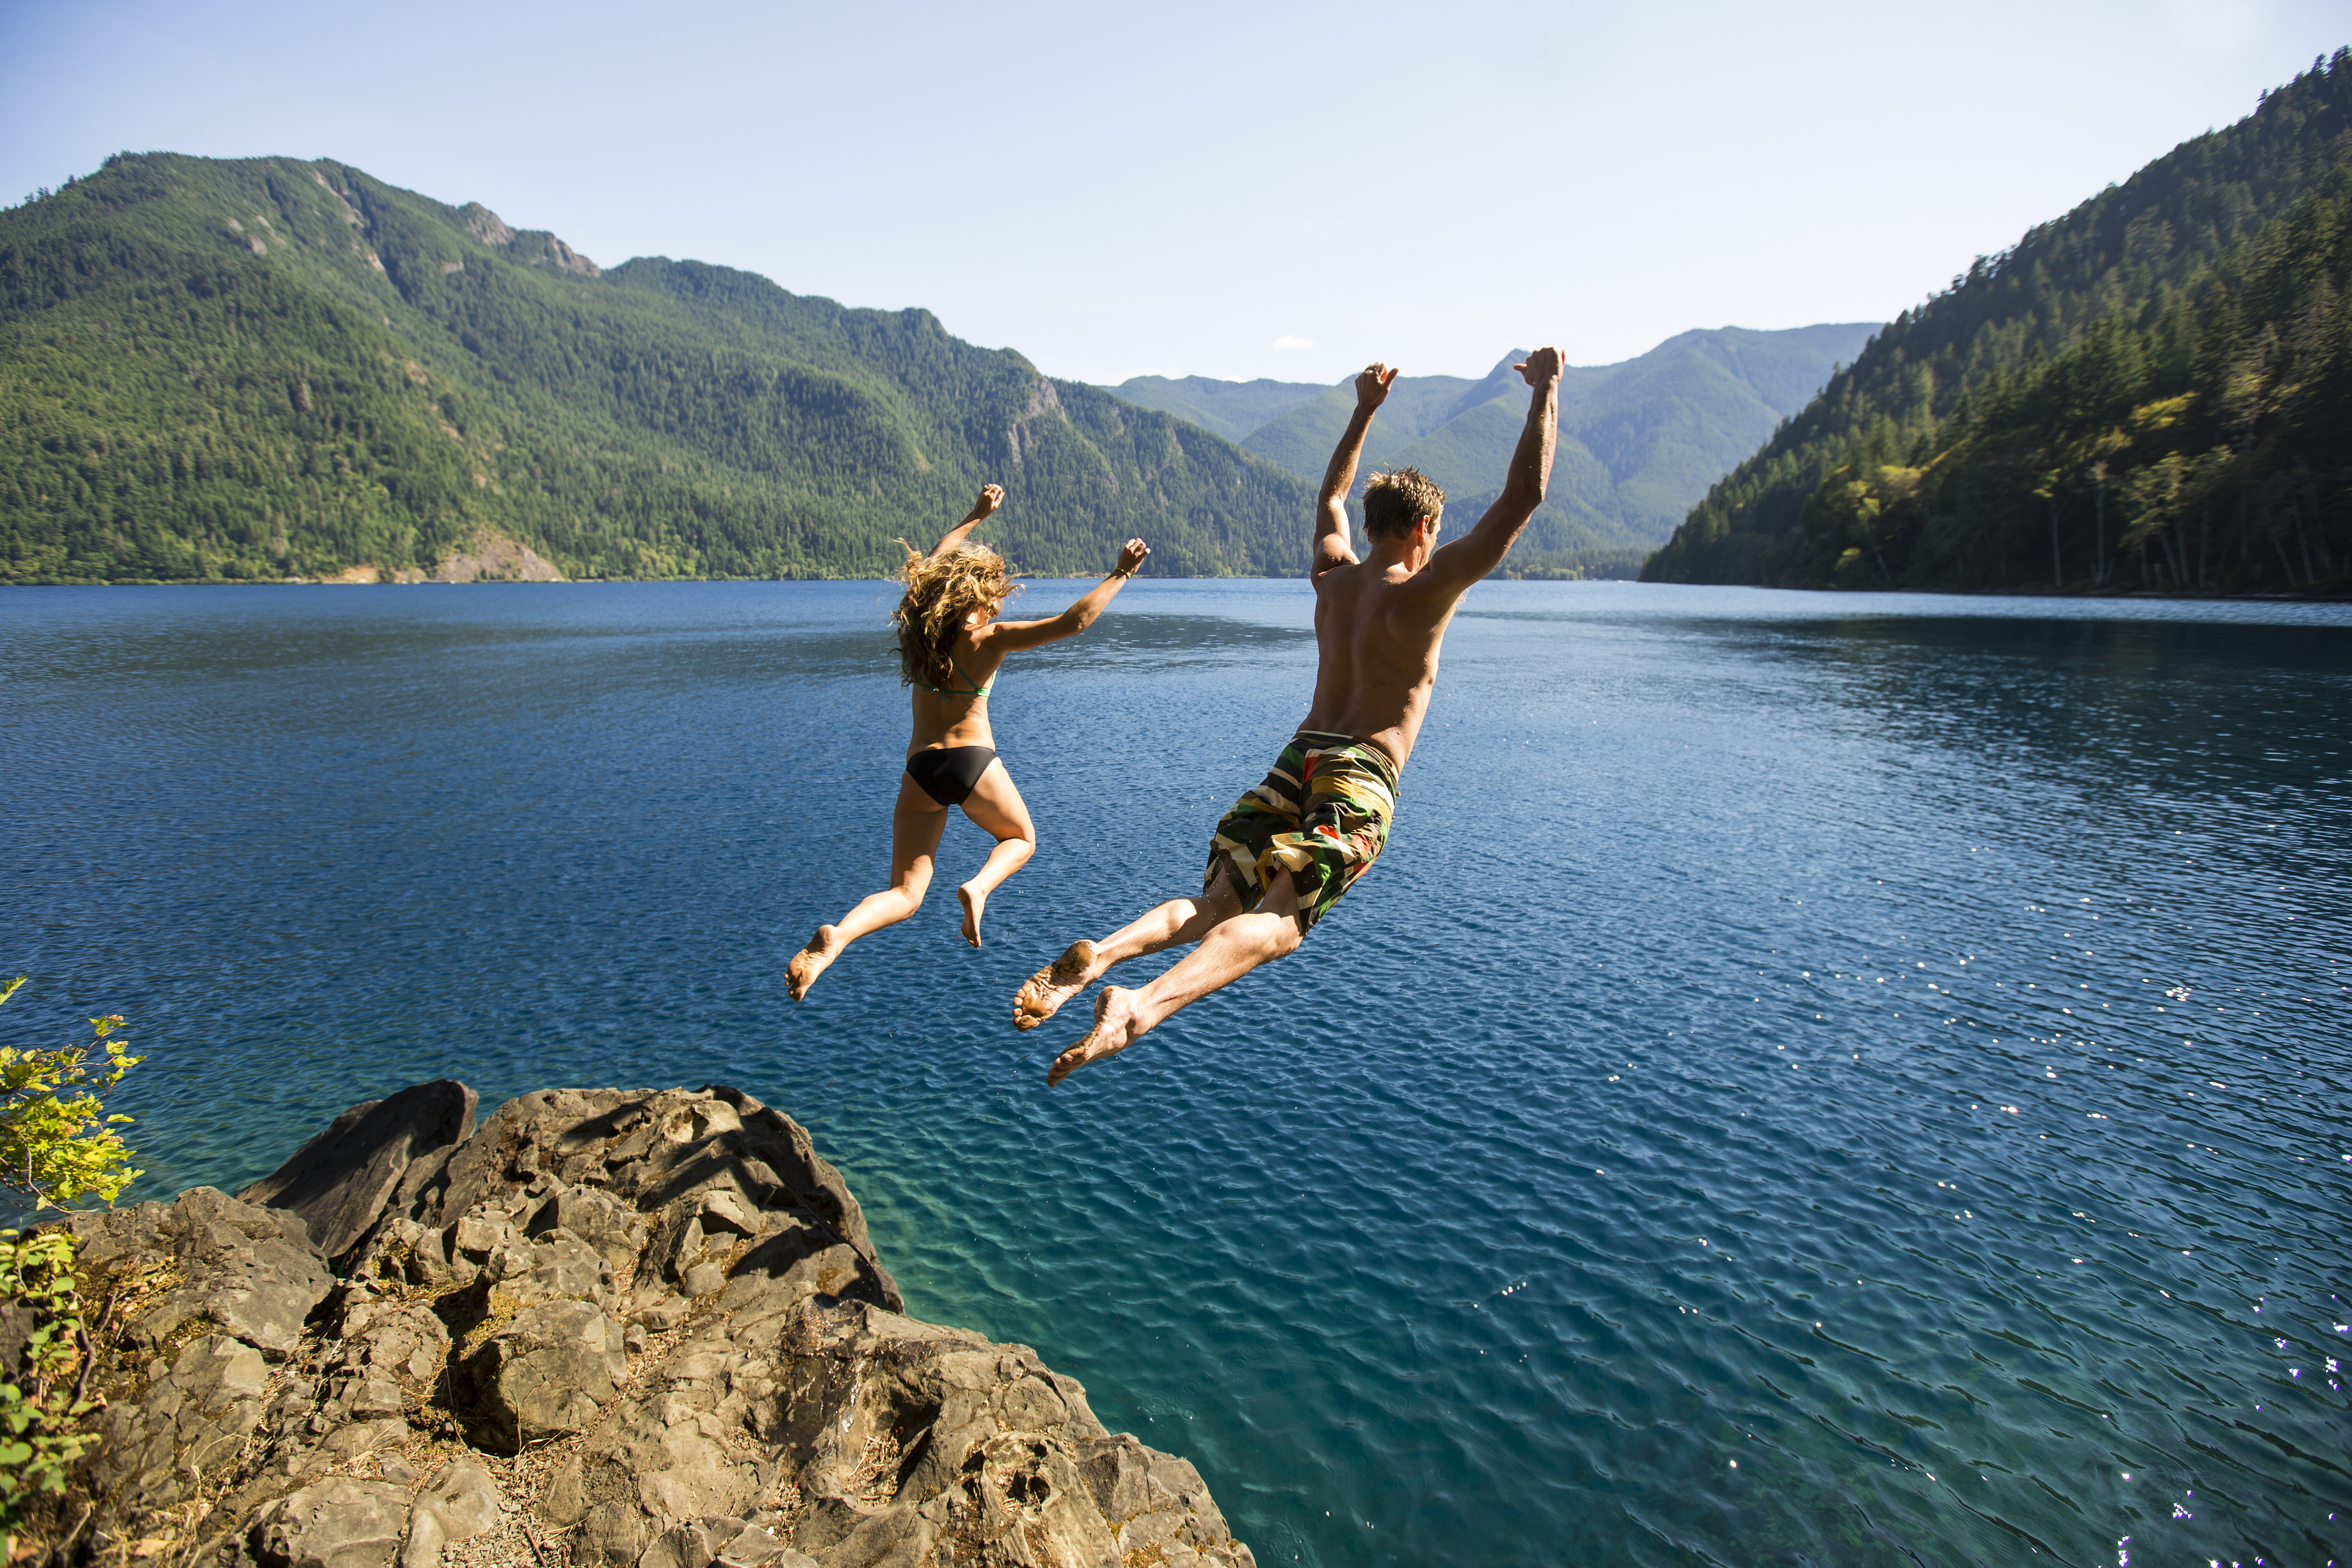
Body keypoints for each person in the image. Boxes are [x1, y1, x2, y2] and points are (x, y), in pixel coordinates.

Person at [1013, 349, 1565, 1083]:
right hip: (1361, 769)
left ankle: (1104, 954)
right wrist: (1546, 392)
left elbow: (1330, 498)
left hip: (1295, 757)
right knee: (1280, 922)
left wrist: (1364, 410)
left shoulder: (1333, 577)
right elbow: (1522, 500)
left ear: (1371, 527)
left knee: (1215, 903)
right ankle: (1137, 1006)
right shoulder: (1428, 591)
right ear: (1426, 529)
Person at [787, 484, 1150, 1000]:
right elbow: (1075, 622)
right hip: (971, 760)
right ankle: (978, 887)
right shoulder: (987, 639)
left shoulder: (921, 630)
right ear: (981, 592)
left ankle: (839, 937)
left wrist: (974, 516)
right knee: (1021, 838)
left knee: (906, 893)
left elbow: (932, 560)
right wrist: (1121, 573)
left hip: (921, 771)